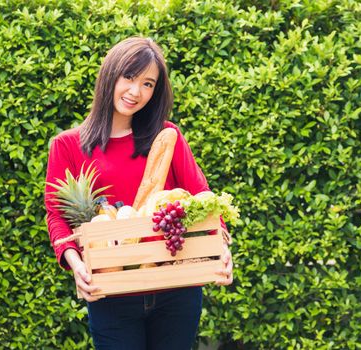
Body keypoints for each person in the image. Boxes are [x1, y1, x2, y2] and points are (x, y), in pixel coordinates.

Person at [44, 37, 233, 349]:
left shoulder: (167, 136)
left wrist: (221, 247)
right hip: (111, 292)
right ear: (110, 76)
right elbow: (57, 215)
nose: (136, 92)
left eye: (148, 84)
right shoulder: (67, 146)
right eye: (128, 77)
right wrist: (77, 266)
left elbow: (202, 195)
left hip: (177, 288)